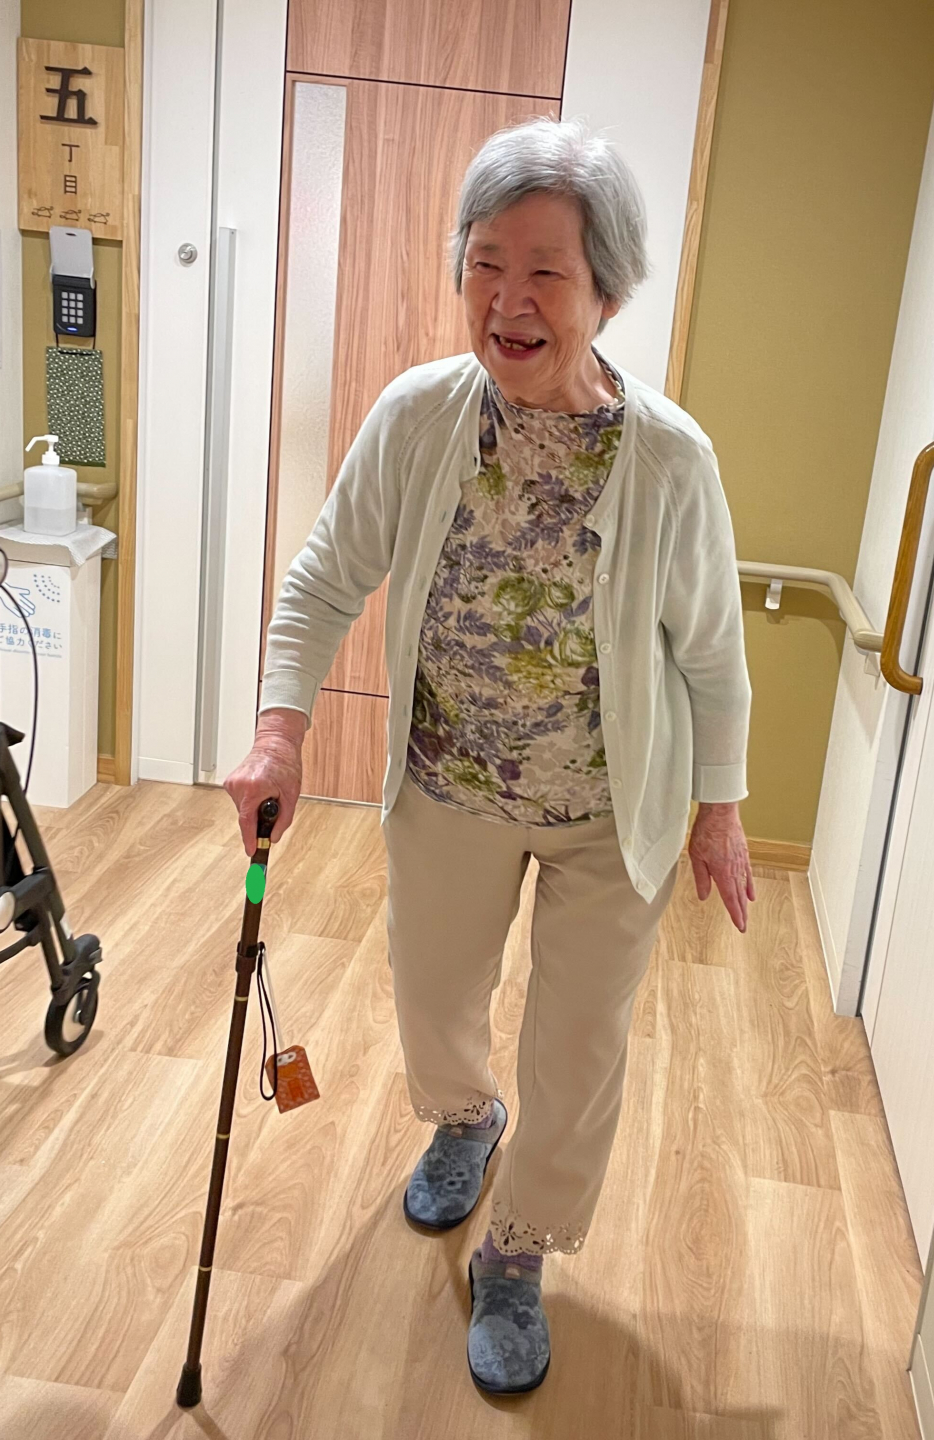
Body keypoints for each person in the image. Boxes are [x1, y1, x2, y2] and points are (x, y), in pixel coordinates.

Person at [223, 118, 752, 1394]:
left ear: (608, 292)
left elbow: (712, 655)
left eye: (546, 273)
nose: (508, 302)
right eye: (486, 264)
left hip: (607, 814)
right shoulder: (418, 416)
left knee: (579, 1048)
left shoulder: (670, 458)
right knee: (430, 995)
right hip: (448, 785)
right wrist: (279, 728)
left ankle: (518, 1250)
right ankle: (465, 1119)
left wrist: (720, 812)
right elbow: (323, 577)